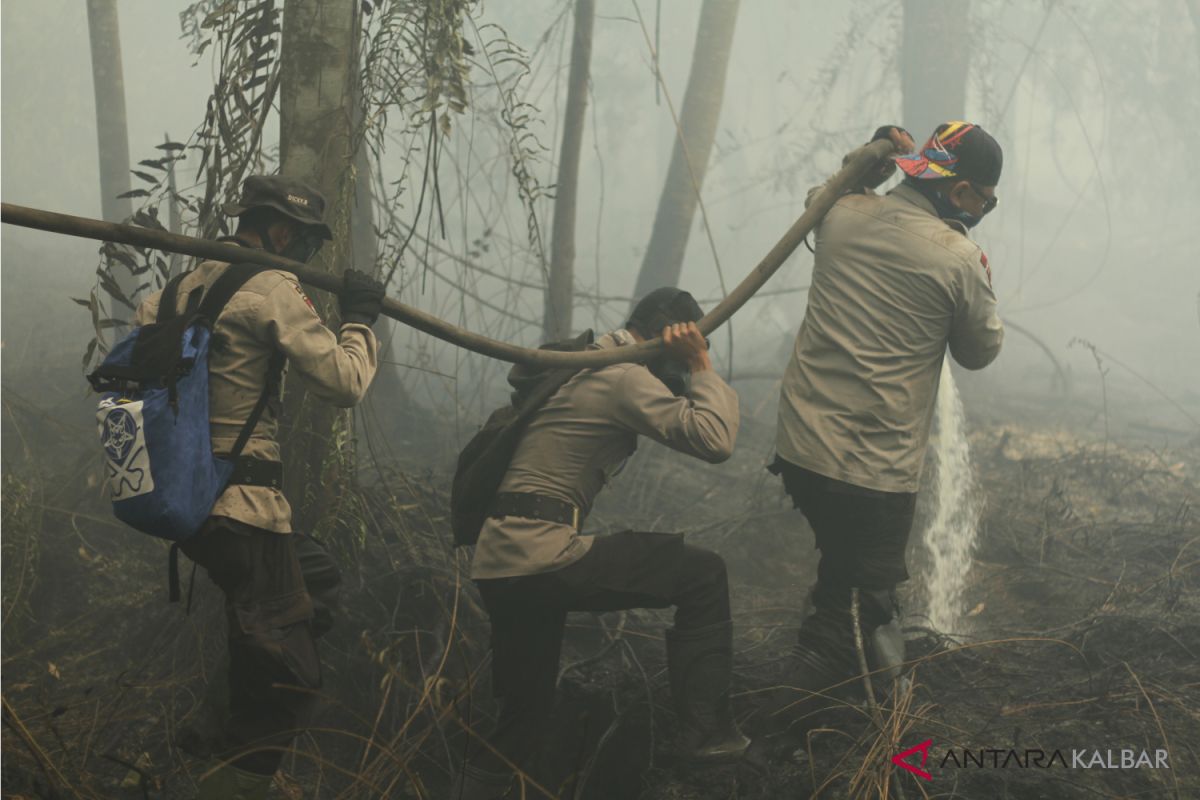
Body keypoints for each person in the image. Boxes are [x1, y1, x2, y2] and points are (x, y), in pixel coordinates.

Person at [134, 174, 385, 799]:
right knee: (288, 680)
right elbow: (345, 382)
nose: (303, 257)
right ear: (280, 231)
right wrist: (359, 320)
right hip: (244, 510)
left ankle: (213, 728)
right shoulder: (269, 286)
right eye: (303, 243)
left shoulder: (167, 295)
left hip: (186, 507)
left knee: (317, 579)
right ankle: (228, 784)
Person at [455, 289, 748, 799]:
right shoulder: (623, 376)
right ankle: (705, 734)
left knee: (523, 717)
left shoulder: (582, 363)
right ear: (671, 337)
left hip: (501, 562)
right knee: (703, 575)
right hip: (545, 558)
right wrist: (699, 362)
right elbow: (715, 440)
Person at [770, 122, 1004, 717]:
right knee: (861, 602)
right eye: (986, 199)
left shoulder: (841, 214)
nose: (985, 210)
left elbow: (824, 192)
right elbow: (979, 352)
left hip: (800, 449)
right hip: (870, 469)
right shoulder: (959, 258)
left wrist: (871, 158)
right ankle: (805, 720)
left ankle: (844, 696)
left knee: (841, 573)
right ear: (961, 194)